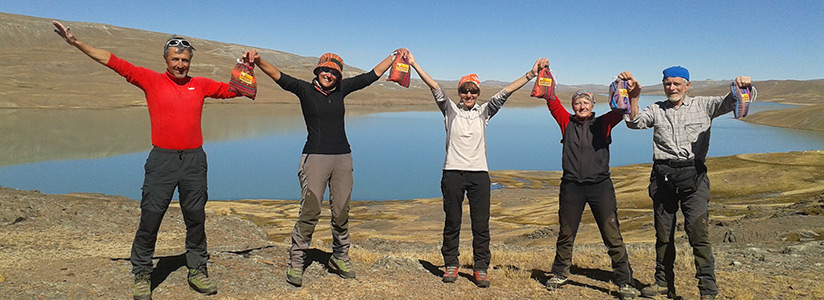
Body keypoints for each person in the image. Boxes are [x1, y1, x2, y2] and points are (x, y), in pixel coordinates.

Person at [52, 21, 251, 300]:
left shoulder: (201, 84)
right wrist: (75, 42)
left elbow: (236, 90)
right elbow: (113, 61)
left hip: (194, 160)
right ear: (166, 60)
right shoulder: (150, 80)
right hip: (162, 160)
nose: (180, 64)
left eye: (184, 60)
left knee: (195, 217)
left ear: (190, 61)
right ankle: (143, 273)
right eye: (175, 59)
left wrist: (245, 68)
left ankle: (197, 270)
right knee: (151, 216)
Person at [247, 48, 404, 287]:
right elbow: (278, 75)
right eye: (325, 70)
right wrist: (258, 61)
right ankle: (297, 260)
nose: (328, 75)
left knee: (341, 211)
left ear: (338, 76)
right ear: (318, 70)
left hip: (343, 157)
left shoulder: (342, 89)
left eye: (333, 72)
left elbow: (371, 76)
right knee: (310, 210)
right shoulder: (304, 90)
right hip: (315, 157)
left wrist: (395, 57)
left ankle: (340, 257)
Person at [407, 52, 546, 288]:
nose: (469, 95)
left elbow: (507, 91)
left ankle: (481, 268)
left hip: (479, 175)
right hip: (452, 172)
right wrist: (414, 64)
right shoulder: (449, 109)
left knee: (481, 224)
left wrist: (531, 74)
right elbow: (435, 86)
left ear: (478, 93)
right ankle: (451, 264)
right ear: (459, 92)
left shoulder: (485, 112)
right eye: (465, 90)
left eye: (473, 91)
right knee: (452, 221)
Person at [622, 67, 752, 300]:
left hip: (694, 177)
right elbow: (634, 123)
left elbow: (733, 101)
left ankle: (708, 290)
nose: (672, 88)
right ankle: (663, 283)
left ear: (687, 85)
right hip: (662, 178)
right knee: (663, 234)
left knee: (698, 233)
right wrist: (634, 96)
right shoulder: (657, 109)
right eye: (667, 84)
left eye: (677, 84)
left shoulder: (704, 105)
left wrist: (742, 87)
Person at [542, 82, 640, 299]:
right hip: (571, 187)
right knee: (566, 233)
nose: (581, 106)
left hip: (600, 187)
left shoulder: (603, 122)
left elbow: (621, 109)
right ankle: (560, 273)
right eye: (577, 103)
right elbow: (551, 101)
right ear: (573, 106)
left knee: (612, 234)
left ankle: (625, 282)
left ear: (593, 105)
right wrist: (543, 74)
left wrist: (627, 87)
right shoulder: (565, 122)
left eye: (586, 102)